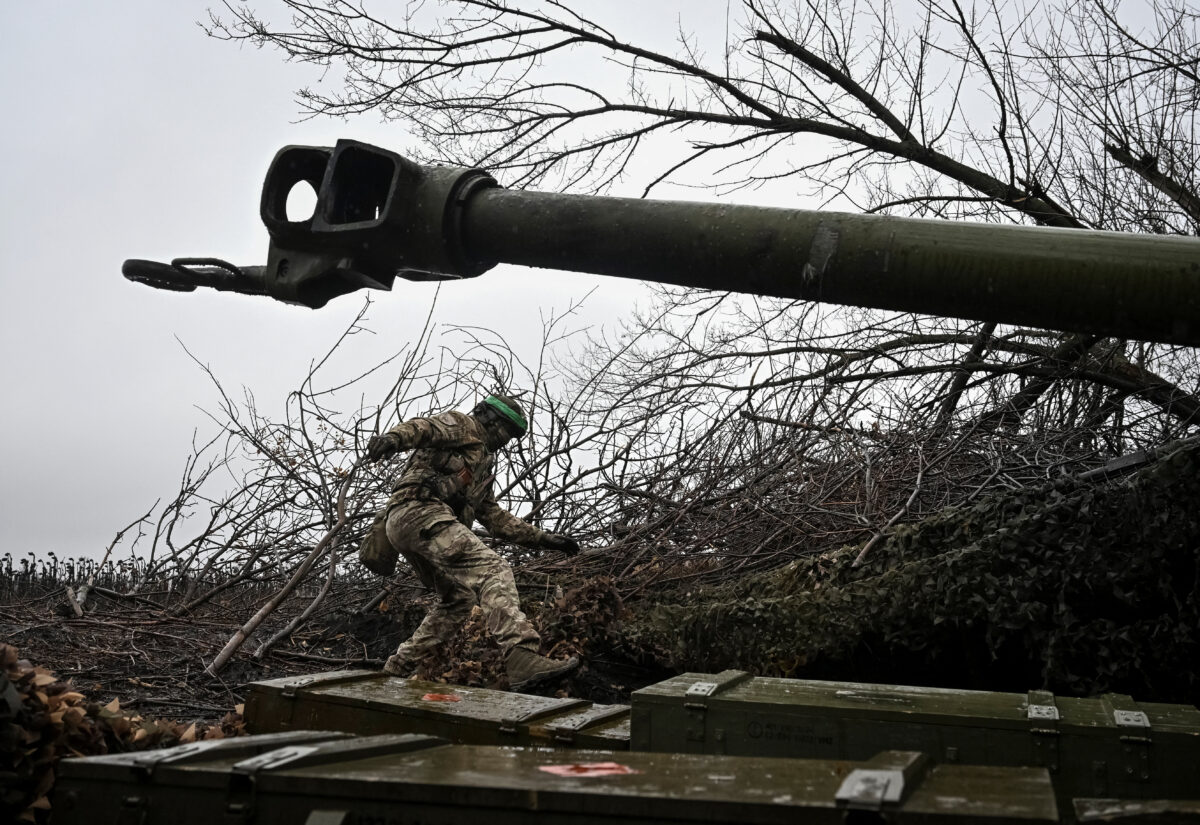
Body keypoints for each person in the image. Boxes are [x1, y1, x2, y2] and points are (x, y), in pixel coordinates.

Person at [361, 393, 581, 690]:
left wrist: (542, 539)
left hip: (415, 525)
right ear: (489, 417)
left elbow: (493, 516)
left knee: (459, 599)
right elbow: (423, 427)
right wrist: (392, 439)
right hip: (419, 512)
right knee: (493, 570)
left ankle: (398, 666)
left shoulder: (482, 465)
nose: (507, 440)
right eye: (506, 430)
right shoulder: (462, 424)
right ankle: (521, 655)